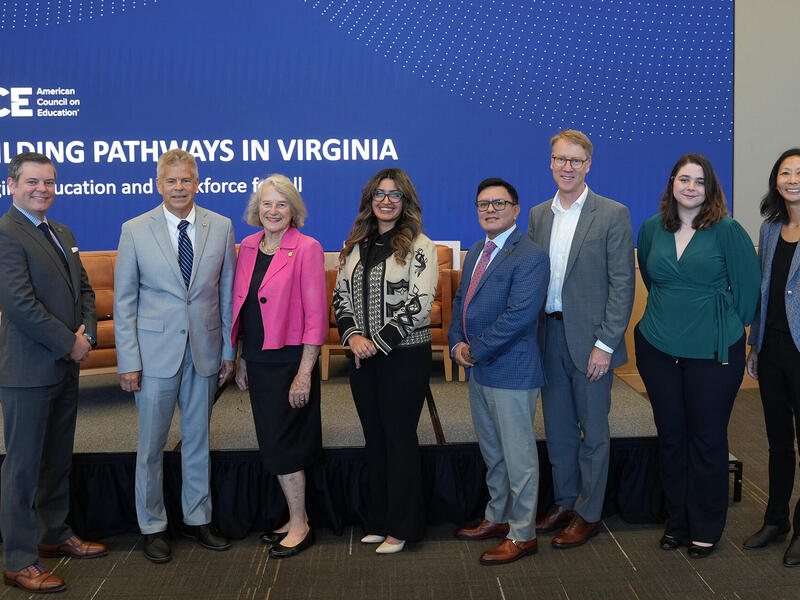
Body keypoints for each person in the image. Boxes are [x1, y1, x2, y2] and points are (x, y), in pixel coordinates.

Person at [114, 149, 237, 563]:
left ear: (197, 183)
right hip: (153, 357)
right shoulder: (134, 230)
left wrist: (229, 351)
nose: (179, 188)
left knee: (197, 440)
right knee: (151, 445)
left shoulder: (220, 226)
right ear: (158, 185)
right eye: (172, 181)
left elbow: (226, 295)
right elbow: (124, 302)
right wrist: (129, 361)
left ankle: (198, 518)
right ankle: (152, 526)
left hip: (204, 352)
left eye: (186, 180)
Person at [635, 153, 760, 558]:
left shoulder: (727, 230)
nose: (691, 187)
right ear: (672, 182)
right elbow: (652, 279)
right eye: (684, 179)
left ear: (711, 189)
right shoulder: (651, 228)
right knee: (671, 438)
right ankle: (677, 522)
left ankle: (705, 527)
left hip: (713, 352)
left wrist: (718, 323)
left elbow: (747, 293)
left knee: (707, 439)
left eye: (700, 181)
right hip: (657, 346)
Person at [0, 152, 106, 594]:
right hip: (28, 371)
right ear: (12, 185)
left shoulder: (62, 232)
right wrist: (70, 343)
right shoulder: (6, 233)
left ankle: (54, 533)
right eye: (32, 182)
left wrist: (88, 336)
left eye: (48, 182)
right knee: (22, 468)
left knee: (57, 458)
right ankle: (18, 560)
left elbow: (84, 290)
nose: (41, 189)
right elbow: (20, 305)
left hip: (65, 367)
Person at [527, 130, 635, 548]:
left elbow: (622, 284)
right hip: (548, 337)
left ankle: (588, 513)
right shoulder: (539, 215)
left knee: (593, 431)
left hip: (592, 343)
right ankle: (565, 501)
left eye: (575, 160)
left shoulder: (612, 214)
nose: (567, 167)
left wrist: (605, 345)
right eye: (560, 159)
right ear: (550, 162)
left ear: (589, 165)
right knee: (558, 430)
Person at [333, 167, 438, 554]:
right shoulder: (353, 245)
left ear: (406, 201)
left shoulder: (420, 246)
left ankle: (403, 526)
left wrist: (375, 343)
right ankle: (378, 520)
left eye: (395, 195)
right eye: (380, 194)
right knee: (374, 438)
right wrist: (353, 338)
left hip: (404, 358)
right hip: (363, 357)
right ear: (369, 200)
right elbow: (340, 297)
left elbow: (420, 303)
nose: (386, 201)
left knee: (399, 438)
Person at [450, 178, 550, 565]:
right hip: (479, 370)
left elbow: (519, 316)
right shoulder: (477, 250)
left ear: (516, 209)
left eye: (499, 203)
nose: (490, 210)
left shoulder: (530, 255)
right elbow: (461, 301)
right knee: (493, 452)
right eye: (483, 204)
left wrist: (474, 350)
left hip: (512, 370)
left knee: (519, 457)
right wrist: (456, 343)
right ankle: (498, 517)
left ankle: (523, 534)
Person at [231, 175, 327, 559]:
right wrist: (242, 358)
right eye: (267, 204)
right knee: (272, 442)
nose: (273, 211)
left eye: (281, 204)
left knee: (287, 445)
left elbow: (316, 318)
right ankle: (294, 517)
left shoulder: (307, 248)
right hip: (258, 359)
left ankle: (300, 525)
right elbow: (245, 307)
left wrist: (305, 372)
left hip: (290, 362)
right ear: (257, 209)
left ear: (293, 210)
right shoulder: (248, 246)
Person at [743, 148, 800, 567]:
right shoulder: (769, 229)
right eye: (785, 172)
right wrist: (755, 344)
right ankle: (775, 519)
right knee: (778, 442)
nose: (793, 179)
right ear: (775, 181)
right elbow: (764, 293)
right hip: (773, 348)